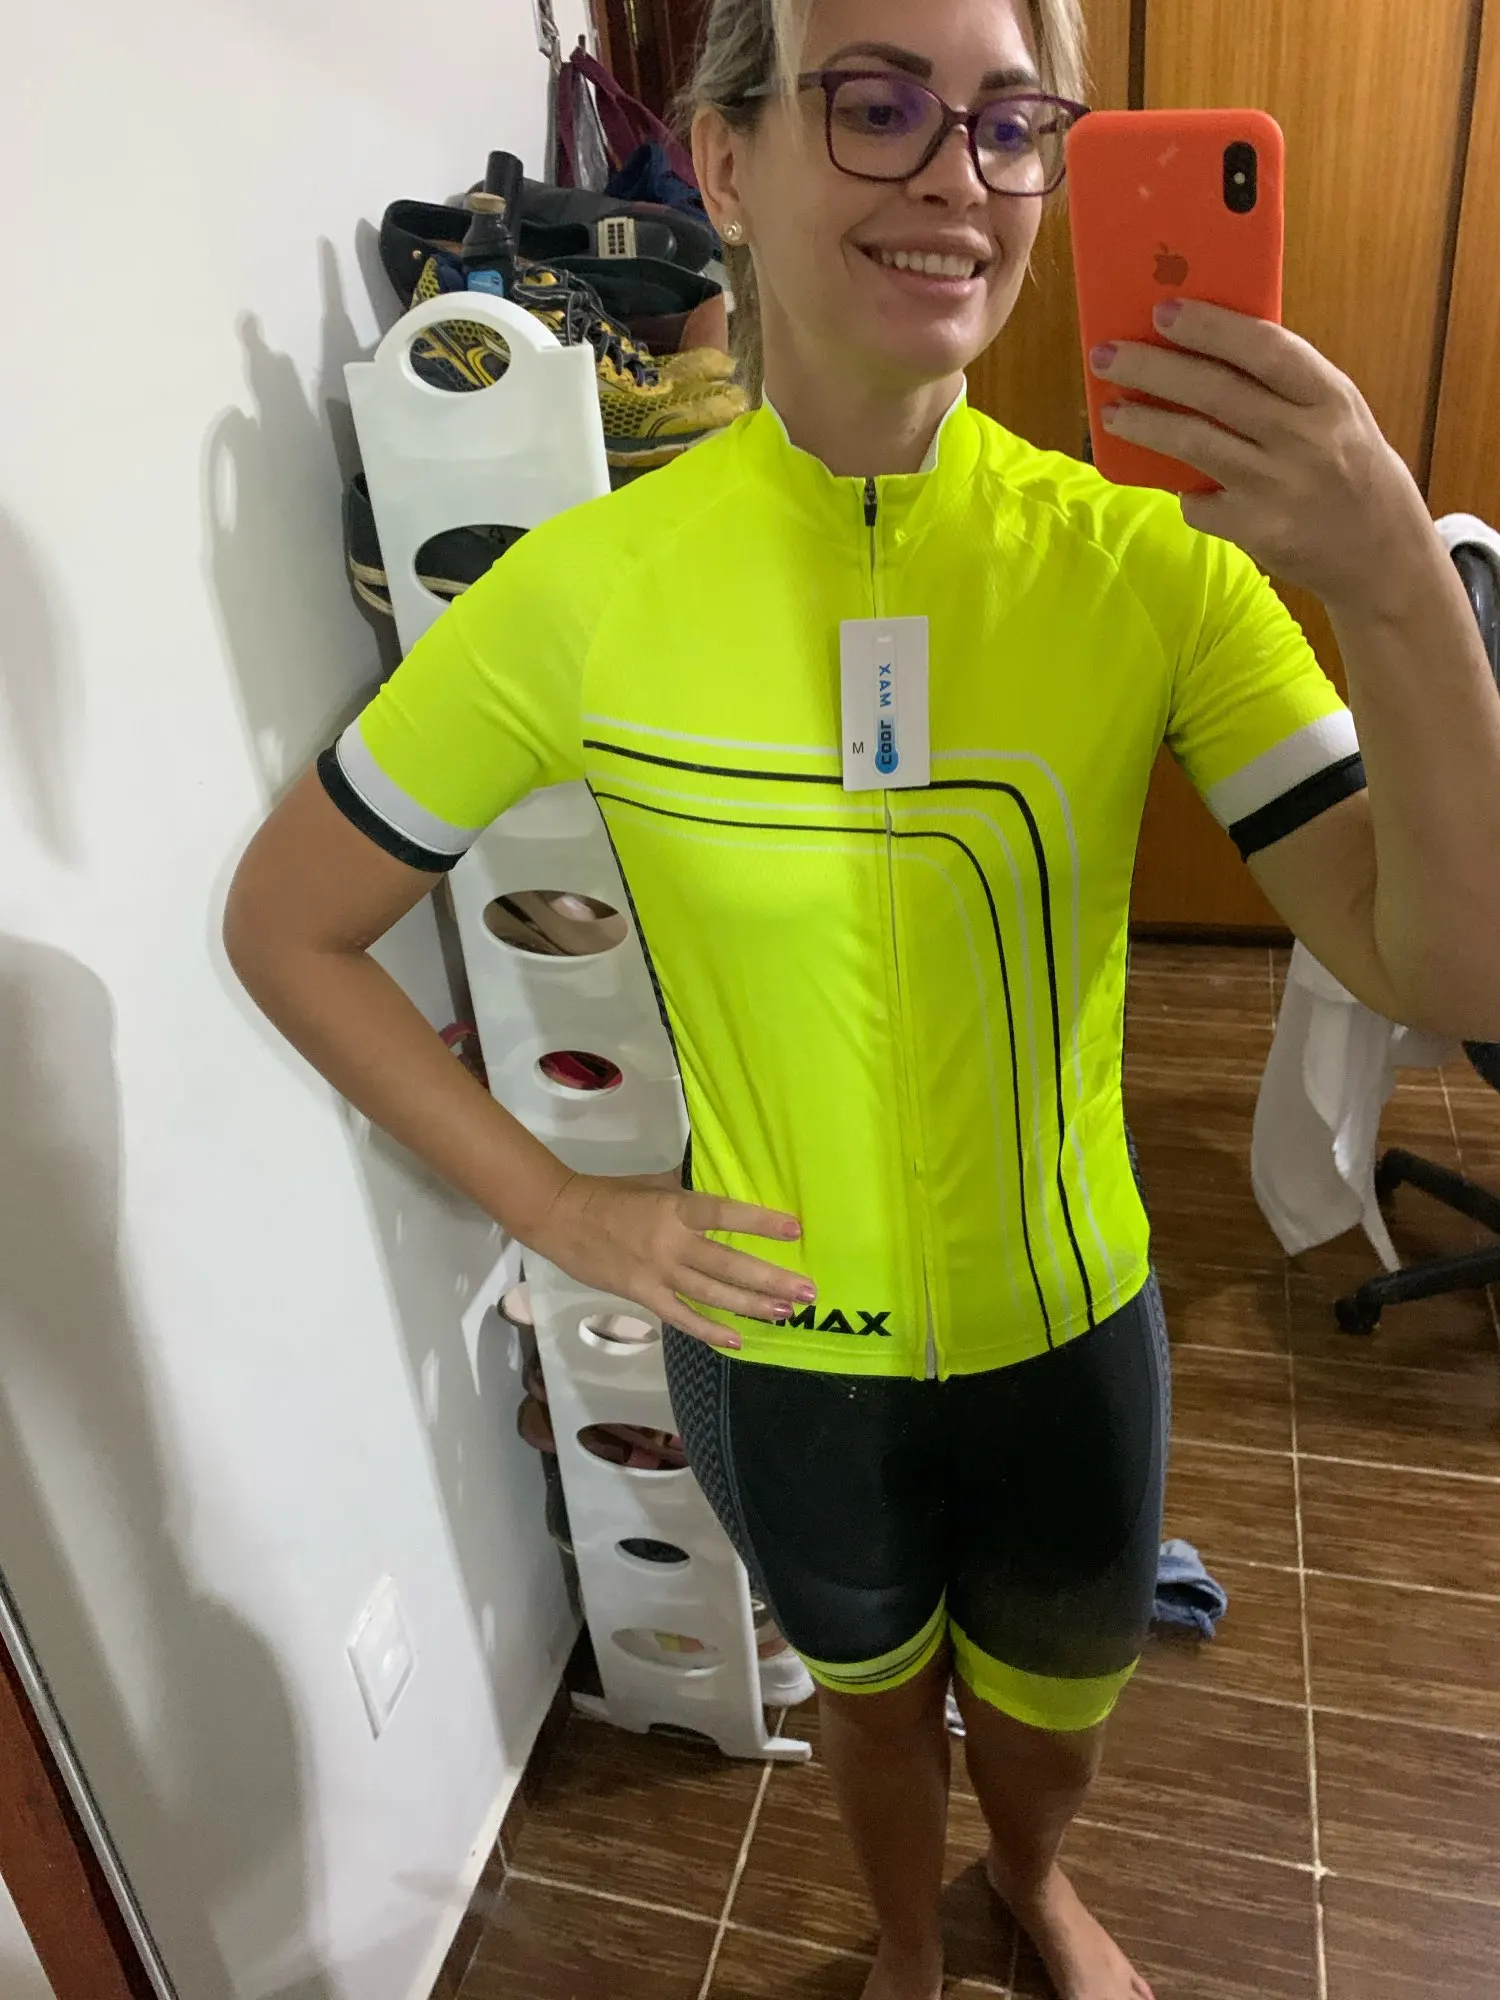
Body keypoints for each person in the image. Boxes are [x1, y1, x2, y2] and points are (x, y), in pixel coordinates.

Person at [223, 1, 1500, 1994]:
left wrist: (1396, 579)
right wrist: (563, 1209)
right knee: (874, 1709)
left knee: (1054, 1724)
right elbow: (287, 924)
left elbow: (1453, 969)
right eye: (878, 104)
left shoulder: (1148, 569)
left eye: (1009, 122)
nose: (955, 177)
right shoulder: (581, 591)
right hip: (780, 1346)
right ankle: (906, 1947)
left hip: (1070, 1337)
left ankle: (1035, 1887)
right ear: (727, 161)